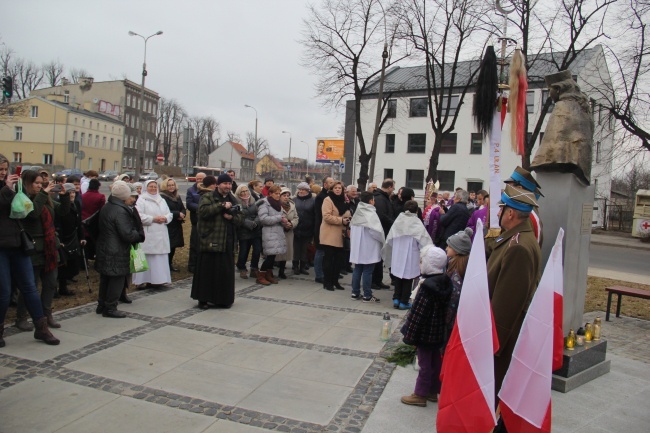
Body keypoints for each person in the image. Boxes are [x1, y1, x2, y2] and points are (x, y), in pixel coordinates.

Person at [487, 184, 541, 403]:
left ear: (510, 213)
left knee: (496, 391)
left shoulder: (518, 246)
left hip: (503, 339)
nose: (498, 214)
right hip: (504, 334)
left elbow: (506, 304)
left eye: (501, 210)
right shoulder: (516, 238)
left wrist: (492, 344)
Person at [0, 155, 60, 346]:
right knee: (4, 291)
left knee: (30, 288)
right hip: (1, 246)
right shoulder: (6, 189)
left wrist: (15, 190)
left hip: (19, 243)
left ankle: (41, 328)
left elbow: (26, 211)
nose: (3, 173)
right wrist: (6, 189)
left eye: (4, 170)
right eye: (0, 170)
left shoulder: (14, 188)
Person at [15, 170, 70, 331]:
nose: (40, 186)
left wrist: (65, 197)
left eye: (41, 183)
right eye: (36, 183)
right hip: (34, 248)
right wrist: (43, 194)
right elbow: (32, 214)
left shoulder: (45, 199)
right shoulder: (22, 199)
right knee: (29, 286)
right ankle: (22, 317)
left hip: (50, 247)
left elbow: (62, 212)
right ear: (27, 183)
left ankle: (46, 314)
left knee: (50, 283)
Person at [399, 245, 451, 407]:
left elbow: (418, 314)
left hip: (424, 333)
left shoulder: (427, 287)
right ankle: (433, 391)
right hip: (437, 332)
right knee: (435, 361)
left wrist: (410, 335)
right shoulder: (444, 282)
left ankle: (420, 393)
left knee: (424, 364)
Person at [192, 174, 244, 308]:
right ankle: (203, 299)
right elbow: (203, 212)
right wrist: (221, 206)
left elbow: (241, 218)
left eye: (229, 184)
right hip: (210, 239)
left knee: (224, 273)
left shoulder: (233, 199)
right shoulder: (208, 197)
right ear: (218, 185)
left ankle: (223, 300)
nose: (227, 186)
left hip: (228, 241)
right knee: (207, 272)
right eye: (225, 183)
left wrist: (231, 218)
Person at [95, 181, 145, 318]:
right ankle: (110, 307)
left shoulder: (108, 206)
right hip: (117, 250)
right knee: (116, 278)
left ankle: (101, 305)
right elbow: (127, 233)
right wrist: (139, 235)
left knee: (105, 278)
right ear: (124, 195)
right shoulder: (120, 211)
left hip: (105, 247)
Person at [383, 200, 433, 309]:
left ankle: (396, 298)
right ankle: (404, 301)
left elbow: (390, 238)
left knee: (398, 277)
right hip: (411, 254)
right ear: (416, 210)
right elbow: (424, 241)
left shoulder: (398, 221)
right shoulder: (417, 223)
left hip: (398, 253)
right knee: (407, 279)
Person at [133, 180, 173, 288]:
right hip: (149, 232)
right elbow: (138, 216)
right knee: (147, 257)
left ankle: (159, 280)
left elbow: (169, 214)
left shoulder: (162, 200)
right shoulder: (142, 200)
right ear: (146, 188)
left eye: (155, 187)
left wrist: (165, 218)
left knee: (159, 258)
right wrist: (153, 219)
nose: (153, 189)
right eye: (151, 187)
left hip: (161, 232)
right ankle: (142, 281)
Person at [349, 191, 384, 302]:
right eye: (373, 200)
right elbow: (376, 231)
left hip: (357, 246)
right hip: (368, 246)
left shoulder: (357, 211)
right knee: (368, 270)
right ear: (370, 201)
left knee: (357, 269)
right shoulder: (370, 213)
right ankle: (367, 295)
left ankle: (355, 292)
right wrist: (382, 240)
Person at [320, 181, 351, 291]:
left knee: (338, 261)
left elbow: (347, 213)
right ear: (332, 189)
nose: (338, 190)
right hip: (329, 234)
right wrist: (342, 220)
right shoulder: (328, 200)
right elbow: (326, 217)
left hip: (340, 234)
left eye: (340, 188)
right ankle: (327, 282)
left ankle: (335, 281)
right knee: (329, 260)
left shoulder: (344, 200)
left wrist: (349, 219)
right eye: (336, 188)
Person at [56, 183, 86, 296]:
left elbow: (79, 223)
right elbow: (58, 223)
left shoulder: (76, 204)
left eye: (73, 192)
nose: (72, 195)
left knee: (73, 265)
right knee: (62, 265)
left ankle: (63, 286)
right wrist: (60, 240)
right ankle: (59, 288)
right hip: (64, 237)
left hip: (73, 237)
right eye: (69, 193)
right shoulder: (60, 205)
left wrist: (82, 237)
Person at [233, 184, 264, 282]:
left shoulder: (254, 201)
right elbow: (238, 217)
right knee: (244, 252)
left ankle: (254, 268)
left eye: (246, 191)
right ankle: (242, 267)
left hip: (256, 231)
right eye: (242, 191)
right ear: (238, 193)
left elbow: (259, 213)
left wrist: (256, 222)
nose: (245, 193)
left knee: (257, 250)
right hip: (243, 231)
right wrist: (249, 223)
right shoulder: (236, 203)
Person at [257, 185, 287, 284]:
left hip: (277, 232)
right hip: (269, 233)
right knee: (269, 257)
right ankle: (261, 275)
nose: (278, 196)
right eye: (276, 193)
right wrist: (279, 218)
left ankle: (268, 274)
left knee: (273, 256)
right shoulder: (265, 204)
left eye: (279, 193)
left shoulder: (278, 204)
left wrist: (285, 221)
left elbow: (280, 216)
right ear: (270, 194)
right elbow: (263, 219)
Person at [372, 179, 396, 290]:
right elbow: (381, 215)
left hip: (384, 230)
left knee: (380, 257)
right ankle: (374, 281)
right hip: (381, 231)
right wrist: (393, 223)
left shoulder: (383, 197)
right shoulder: (380, 198)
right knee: (377, 257)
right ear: (390, 187)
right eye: (393, 188)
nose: (393, 190)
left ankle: (378, 280)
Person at [160, 177, 186, 272]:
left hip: (176, 224)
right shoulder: (162, 197)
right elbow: (164, 210)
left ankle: (170, 263)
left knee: (173, 246)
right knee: (168, 246)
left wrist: (182, 214)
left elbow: (183, 208)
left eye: (172, 185)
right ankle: (166, 264)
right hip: (168, 224)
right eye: (169, 185)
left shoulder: (177, 196)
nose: (171, 187)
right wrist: (177, 214)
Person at [313, 176, 334, 284]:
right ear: (325, 184)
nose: (333, 184)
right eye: (331, 182)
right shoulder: (321, 197)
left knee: (327, 252)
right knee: (320, 251)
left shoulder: (330, 195)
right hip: (321, 226)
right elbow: (322, 215)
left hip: (328, 227)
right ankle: (319, 275)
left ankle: (327, 272)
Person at [275, 187, 299, 279]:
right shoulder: (276, 205)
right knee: (276, 253)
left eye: (288, 195)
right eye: (284, 195)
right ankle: (270, 270)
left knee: (286, 252)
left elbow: (296, 217)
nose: (286, 197)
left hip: (289, 232)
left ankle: (282, 271)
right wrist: (284, 224)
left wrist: (291, 224)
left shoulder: (292, 205)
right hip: (278, 231)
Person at [292, 182, 315, 275]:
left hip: (308, 228)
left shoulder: (313, 200)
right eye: (300, 189)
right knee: (296, 248)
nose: (301, 191)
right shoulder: (294, 200)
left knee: (305, 248)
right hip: (296, 228)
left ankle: (303, 266)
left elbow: (315, 214)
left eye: (303, 190)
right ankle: (295, 265)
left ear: (308, 191)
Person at [186, 172, 206, 273]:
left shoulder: (208, 190)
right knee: (194, 244)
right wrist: (202, 209)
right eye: (197, 179)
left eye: (201, 179)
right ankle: (192, 265)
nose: (199, 181)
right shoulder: (191, 190)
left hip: (206, 222)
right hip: (196, 221)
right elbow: (189, 204)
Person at [81, 178, 105, 260]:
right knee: (94, 241)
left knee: (85, 242)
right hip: (94, 222)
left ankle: (85, 259)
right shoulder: (100, 197)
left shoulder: (82, 196)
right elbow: (102, 211)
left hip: (83, 221)